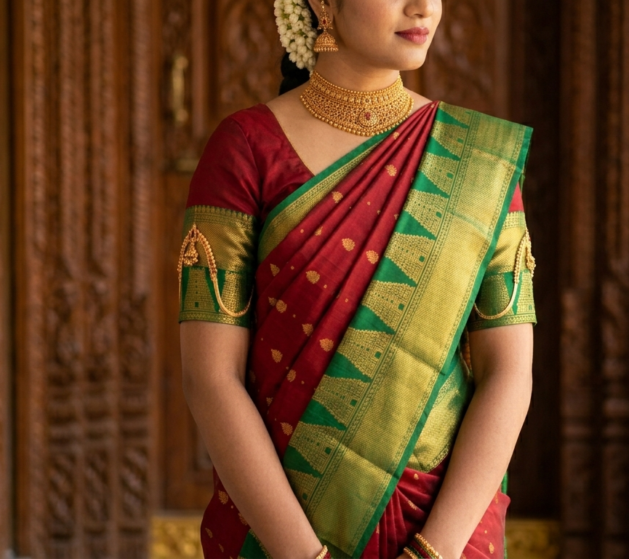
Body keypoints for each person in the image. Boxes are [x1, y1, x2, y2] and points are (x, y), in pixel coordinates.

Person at [178, 0, 535, 557]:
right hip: (280, 535)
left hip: (447, 533)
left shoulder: (476, 164)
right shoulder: (246, 150)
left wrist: (433, 552)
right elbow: (210, 378)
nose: (423, 8)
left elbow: (508, 373)